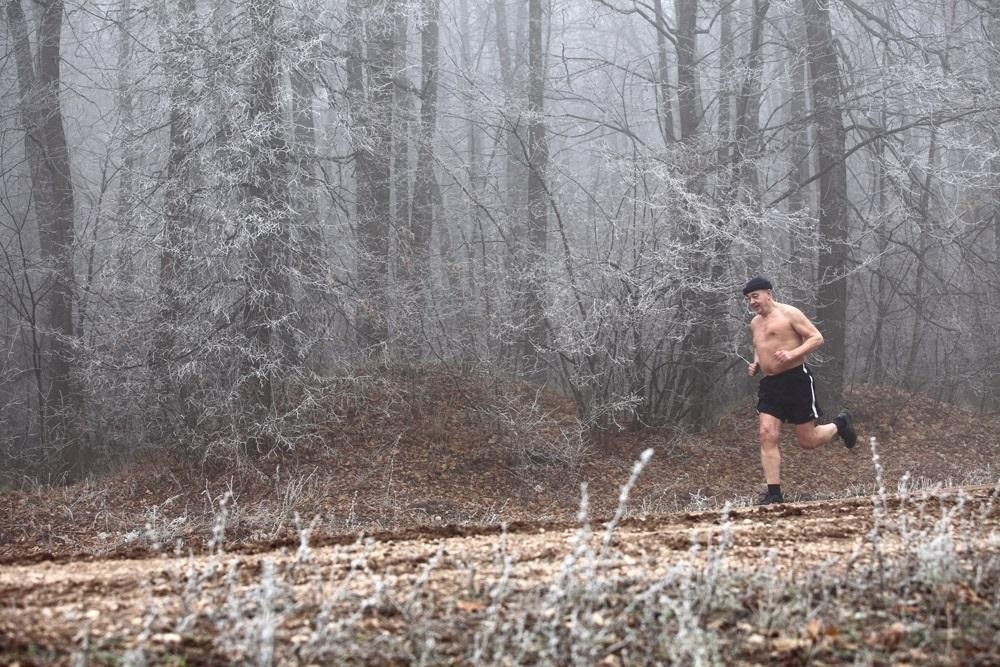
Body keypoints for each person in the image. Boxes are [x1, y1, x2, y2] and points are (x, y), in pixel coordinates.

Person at [743, 276, 856, 505]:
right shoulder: (755, 323)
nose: (752, 302)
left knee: (808, 441)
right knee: (767, 433)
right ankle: (774, 494)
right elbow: (761, 346)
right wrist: (756, 363)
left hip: (797, 381)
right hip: (770, 385)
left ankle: (840, 424)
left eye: (755, 296)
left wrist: (792, 354)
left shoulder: (789, 313)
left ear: (768, 293)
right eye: (748, 299)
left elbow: (817, 338)